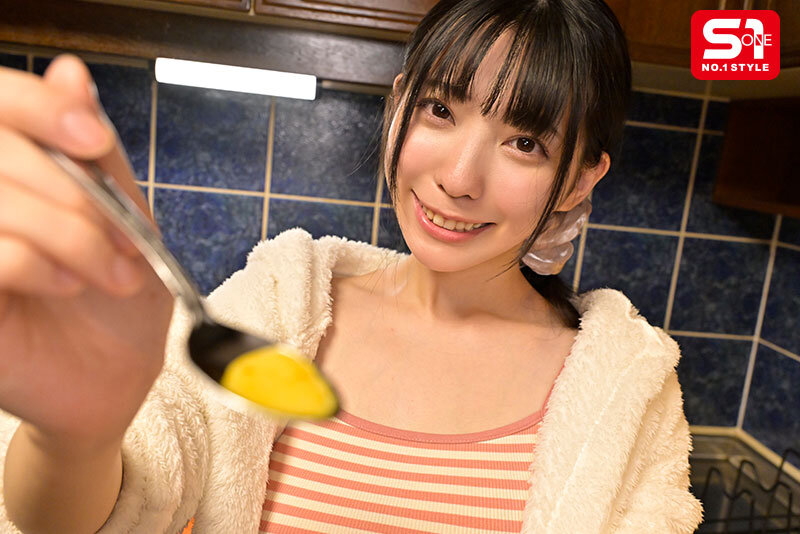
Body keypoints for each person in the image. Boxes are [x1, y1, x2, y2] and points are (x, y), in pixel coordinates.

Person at [0, 0, 704, 532]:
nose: (459, 177)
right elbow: (102, 512)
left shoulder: (626, 387)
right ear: (399, 107)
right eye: (439, 109)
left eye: (525, 143)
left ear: (580, 178)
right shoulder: (277, 306)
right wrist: (78, 435)